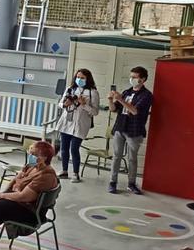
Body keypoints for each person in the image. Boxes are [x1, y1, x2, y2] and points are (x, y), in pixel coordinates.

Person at [107, 67, 153, 195]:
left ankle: (131, 183)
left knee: (132, 158)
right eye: (131, 76)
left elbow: (135, 111)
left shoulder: (147, 95)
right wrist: (111, 99)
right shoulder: (127, 92)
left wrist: (120, 99)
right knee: (116, 156)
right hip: (120, 127)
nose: (132, 79)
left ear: (142, 79)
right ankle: (112, 181)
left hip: (134, 130)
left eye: (135, 77)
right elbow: (113, 109)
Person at [55, 68, 100, 183]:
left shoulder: (92, 92)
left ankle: (76, 173)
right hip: (67, 122)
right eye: (78, 77)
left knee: (74, 148)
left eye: (82, 78)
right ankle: (64, 171)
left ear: (87, 79)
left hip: (81, 124)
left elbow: (95, 112)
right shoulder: (70, 89)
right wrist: (65, 104)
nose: (79, 79)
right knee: (64, 148)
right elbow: (60, 104)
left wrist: (84, 104)